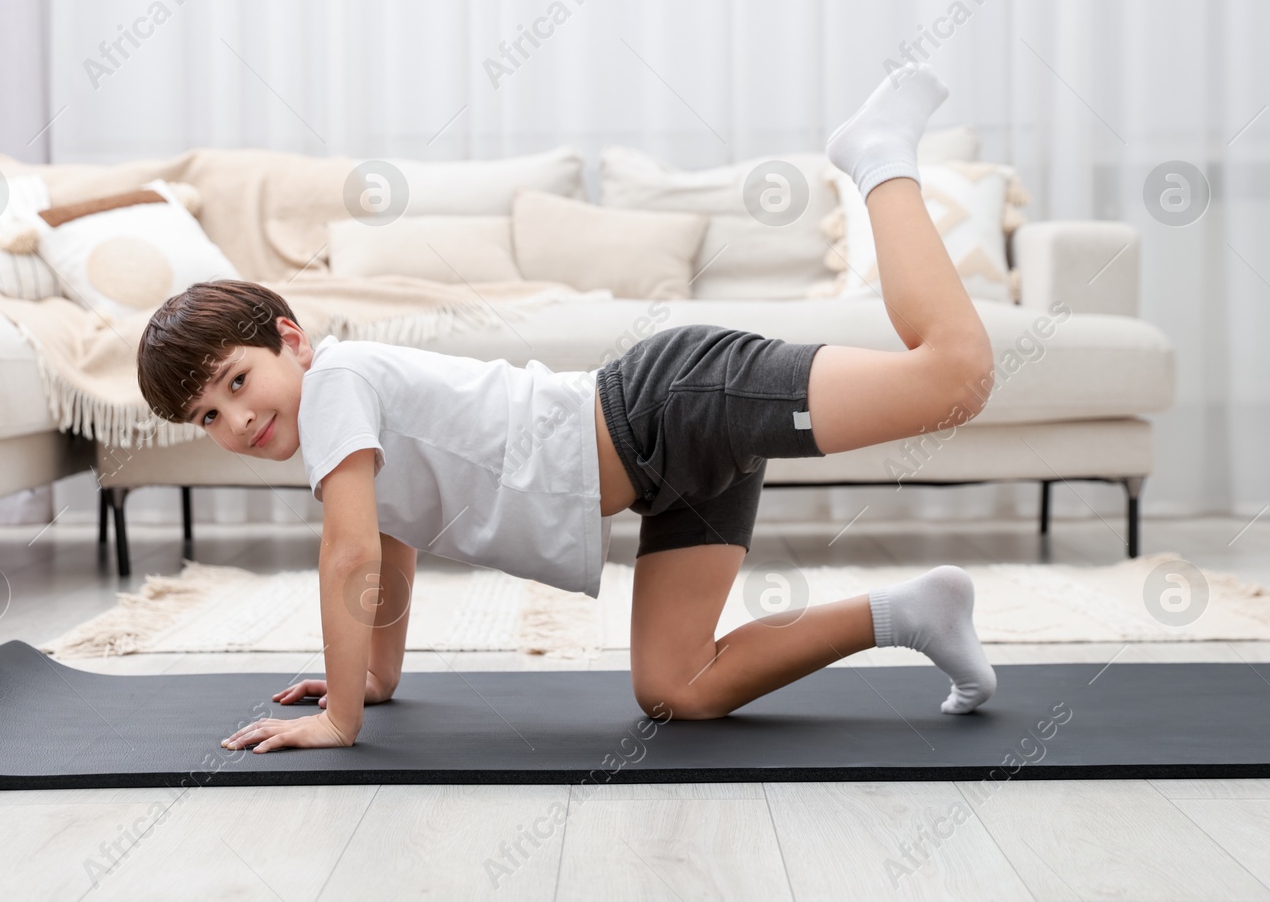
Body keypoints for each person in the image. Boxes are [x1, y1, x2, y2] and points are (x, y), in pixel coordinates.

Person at [135, 61, 999, 754]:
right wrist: (376, 676)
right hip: (670, 471)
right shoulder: (346, 432)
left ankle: (879, 155)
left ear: (290, 338)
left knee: (952, 380)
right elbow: (389, 545)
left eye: (237, 382)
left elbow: (350, 554)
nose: (236, 421)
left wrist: (342, 719)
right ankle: (913, 612)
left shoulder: (334, 383)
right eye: (207, 417)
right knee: (679, 687)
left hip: (675, 403)